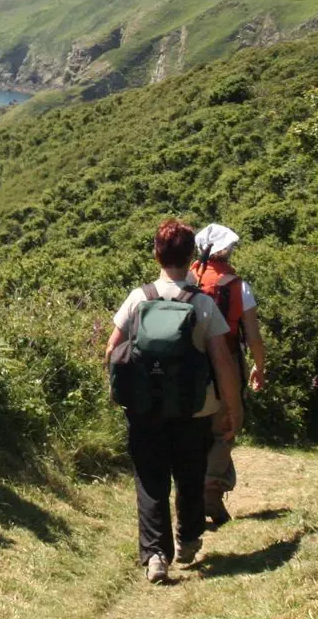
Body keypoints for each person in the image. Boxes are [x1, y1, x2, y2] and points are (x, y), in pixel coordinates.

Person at [106, 219, 243, 584]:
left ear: (157, 254)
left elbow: (111, 349)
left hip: (144, 408)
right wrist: (232, 408)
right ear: (189, 256)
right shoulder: (202, 304)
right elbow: (222, 361)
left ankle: (155, 555)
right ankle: (189, 539)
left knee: (151, 480)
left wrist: (124, 393)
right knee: (190, 473)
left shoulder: (139, 297)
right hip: (194, 409)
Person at [191, 223, 269, 531]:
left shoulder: (188, 279)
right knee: (224, 428)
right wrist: (259, 366)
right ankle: (209, 494)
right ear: (227, 250)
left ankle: (202, 494)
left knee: (195, 429)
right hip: (226, 361)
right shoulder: (237, 286)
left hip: (189, 365)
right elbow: (253, 336)